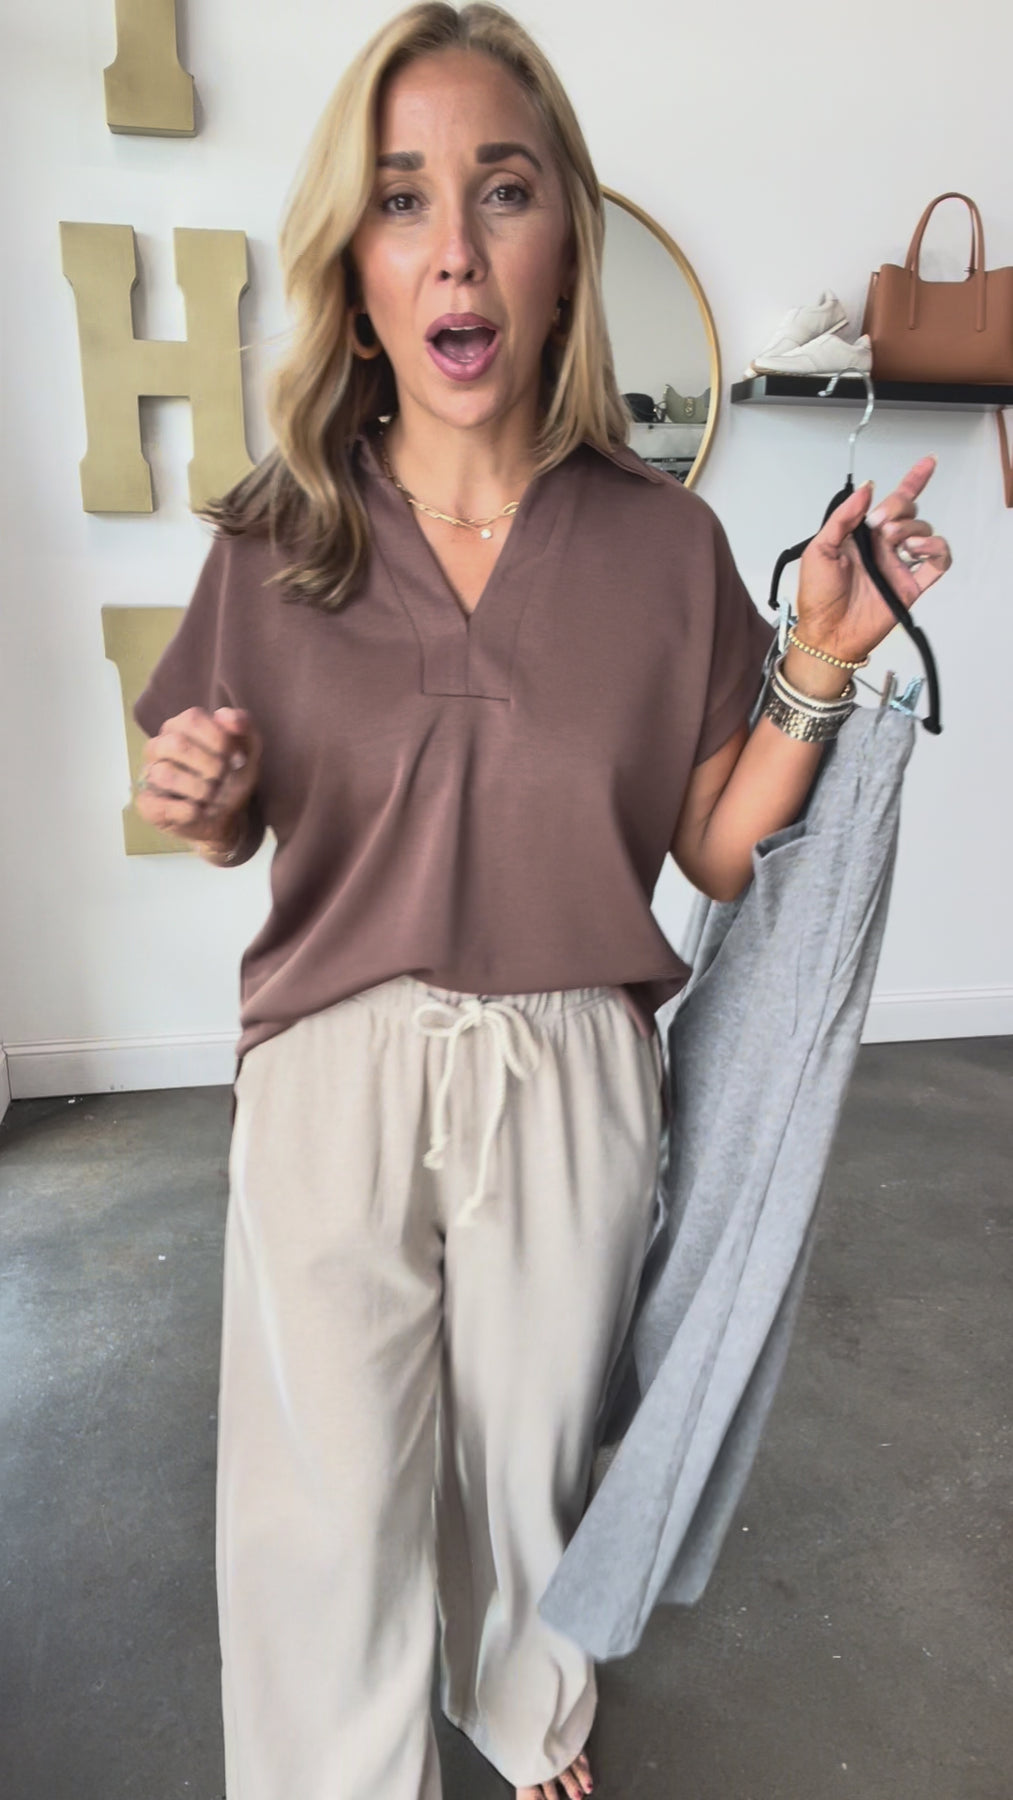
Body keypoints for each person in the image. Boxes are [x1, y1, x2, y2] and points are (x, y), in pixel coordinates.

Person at [131, 6, 952, 1798]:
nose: (453, 244)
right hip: (331, 1072)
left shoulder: (663, 547)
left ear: (563, 243)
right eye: (400, 197)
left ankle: (524, 1713)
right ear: (355, 271)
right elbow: (221, 813)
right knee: (320, 1501)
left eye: (501, 191)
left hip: (577, 1070)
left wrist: (818, 656)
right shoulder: (275, 537)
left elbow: (713, 850)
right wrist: (195, 800)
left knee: (528, 1466)